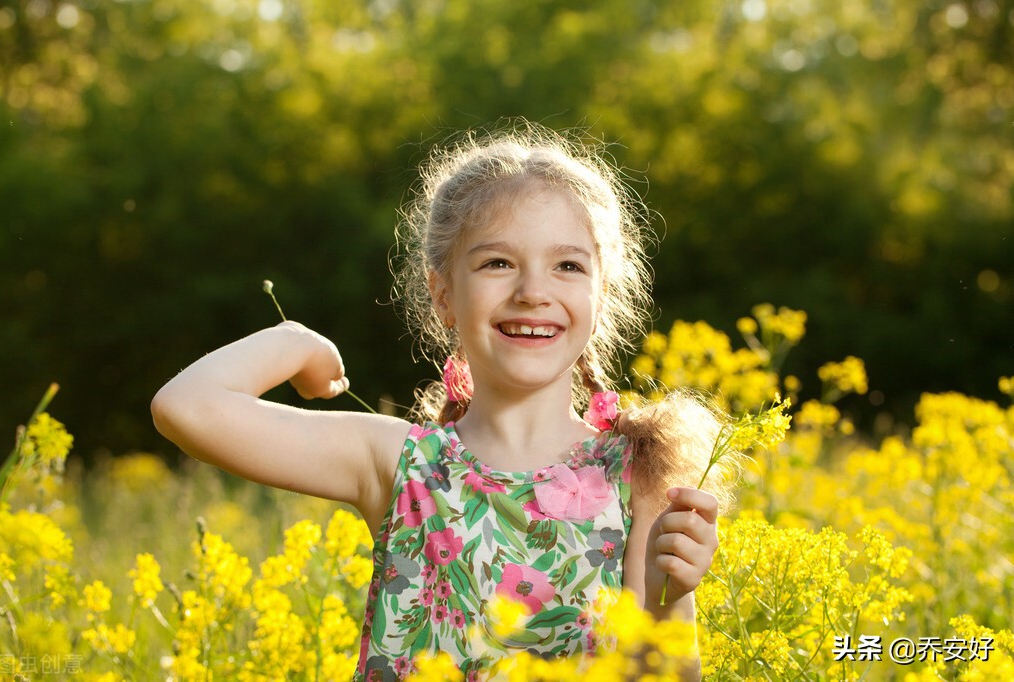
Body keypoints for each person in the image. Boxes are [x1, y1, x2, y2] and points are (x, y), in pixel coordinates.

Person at [152, 124, 732, 681]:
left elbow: (663, 674)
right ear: (444, 295)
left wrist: (673, 599)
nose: (532, 292)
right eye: (497, 263)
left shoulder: (636, 475)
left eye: (568, 266)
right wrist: (293, 340)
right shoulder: (397, 462)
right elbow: (186, 408)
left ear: (600, 295)